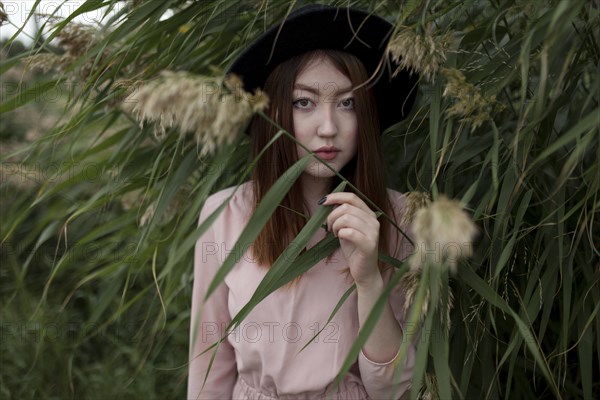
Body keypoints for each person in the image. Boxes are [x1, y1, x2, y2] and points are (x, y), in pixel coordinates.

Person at [188, 4, 419, 399]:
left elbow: (397, 389)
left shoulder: (399, 218)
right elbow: (209, 364)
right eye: (303, 102)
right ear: (272, 111)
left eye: (347, 103)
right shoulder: (224, 214)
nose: (328, 128)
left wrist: (368, 281)